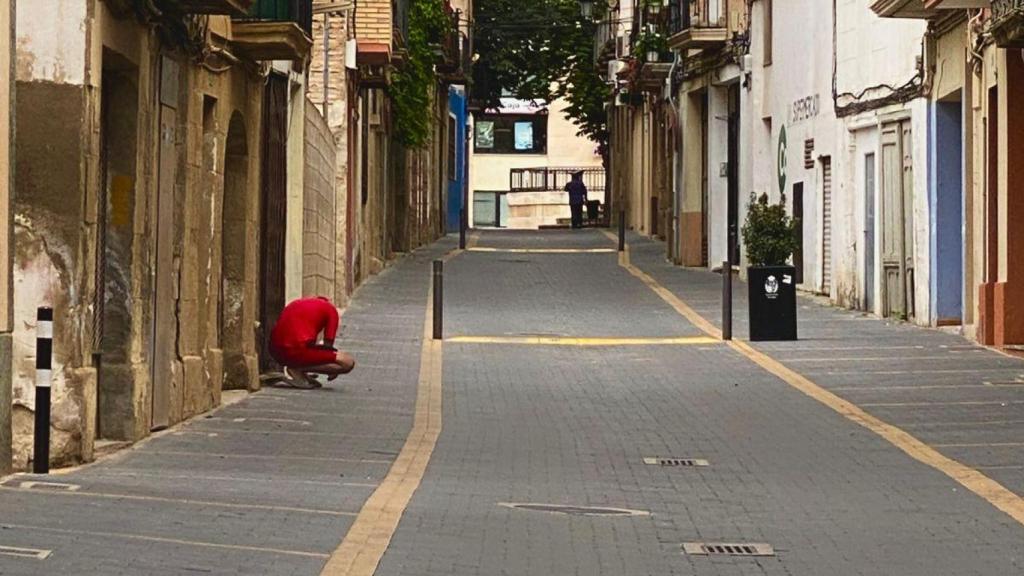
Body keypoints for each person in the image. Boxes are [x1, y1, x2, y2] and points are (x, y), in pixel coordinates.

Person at [267, 296, 355, 389]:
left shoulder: (299, 303)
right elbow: (328, 346)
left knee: (312, 349)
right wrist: (332, 370)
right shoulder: (331, 310)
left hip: (275, 351)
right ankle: (297, 369)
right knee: (347, 362)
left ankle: (299, 369)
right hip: (295, 350)